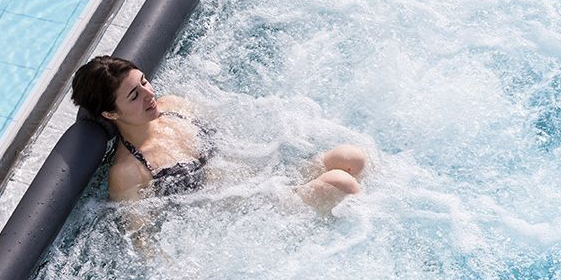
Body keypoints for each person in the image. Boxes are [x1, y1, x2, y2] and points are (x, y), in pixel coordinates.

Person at [70, 55, 367, 209]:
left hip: (266, 183)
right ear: (111, 114)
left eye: (145, 82)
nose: (149, 95)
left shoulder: (174, 106)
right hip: (250, 214)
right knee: (341, 182)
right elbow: (139, 236)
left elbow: (236, 140)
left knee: (352, 157)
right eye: (134, 96)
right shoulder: (129, 171)